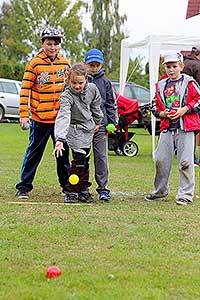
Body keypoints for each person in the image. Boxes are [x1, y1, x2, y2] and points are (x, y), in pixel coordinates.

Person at [15, 27, 71, 199]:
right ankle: (24, 187)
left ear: (59, 45)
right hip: (40, 119)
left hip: (60, 120)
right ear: (42, 44)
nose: (52, 47)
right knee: (34, 153)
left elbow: (70, 90)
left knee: (63, 156)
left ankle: (66, 187)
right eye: (49, 43)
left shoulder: (65, 63)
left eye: (55, 44)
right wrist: (24, 114)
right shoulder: (34, 64)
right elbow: (25, 90)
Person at [145, 52, 200, 206]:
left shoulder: (190, 83)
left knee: (185, 162)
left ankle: (185, 194)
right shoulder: (161, 84)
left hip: (186, 127)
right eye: (168, 66)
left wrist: (185, 109)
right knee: (160, 160)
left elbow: (198, 99)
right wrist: (162, 113)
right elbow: (154, 105)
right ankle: (160, 191)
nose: (171, 69)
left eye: (174, 66)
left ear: (181, 66)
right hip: (167, 127)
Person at [54, 63, 103, 203]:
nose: (77, 86)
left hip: (88, 129)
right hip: (72, 129)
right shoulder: (66, 95)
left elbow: (96, 106)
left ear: (86, 79)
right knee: (79, 161)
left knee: (85, 161)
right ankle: (71, 190)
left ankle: (83, 189)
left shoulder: (93, 89)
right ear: (69, 80)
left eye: (80, 83)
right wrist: (60, 138)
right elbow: (64, 115)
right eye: (74, 83)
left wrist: (98, 121)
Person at [84, 48, 116, 202]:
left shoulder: (105, 82)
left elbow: (110, 103)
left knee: (101, 157)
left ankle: (103, 189)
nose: (94, 68)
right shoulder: (80, 80)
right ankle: (82, 187)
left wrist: (111, 122)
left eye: (97, 65)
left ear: (101, 65)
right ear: (86, 64)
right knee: (81, 157)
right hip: (83, 127)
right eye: (91, 65)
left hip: (101, 126)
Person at [183, 44, 200, 166]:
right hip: (194, 103)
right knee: (193, 130)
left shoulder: (184, 63)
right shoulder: (197, 65)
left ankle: (188, 156)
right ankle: (192, 158)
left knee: (187, 130)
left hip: (183, 104)